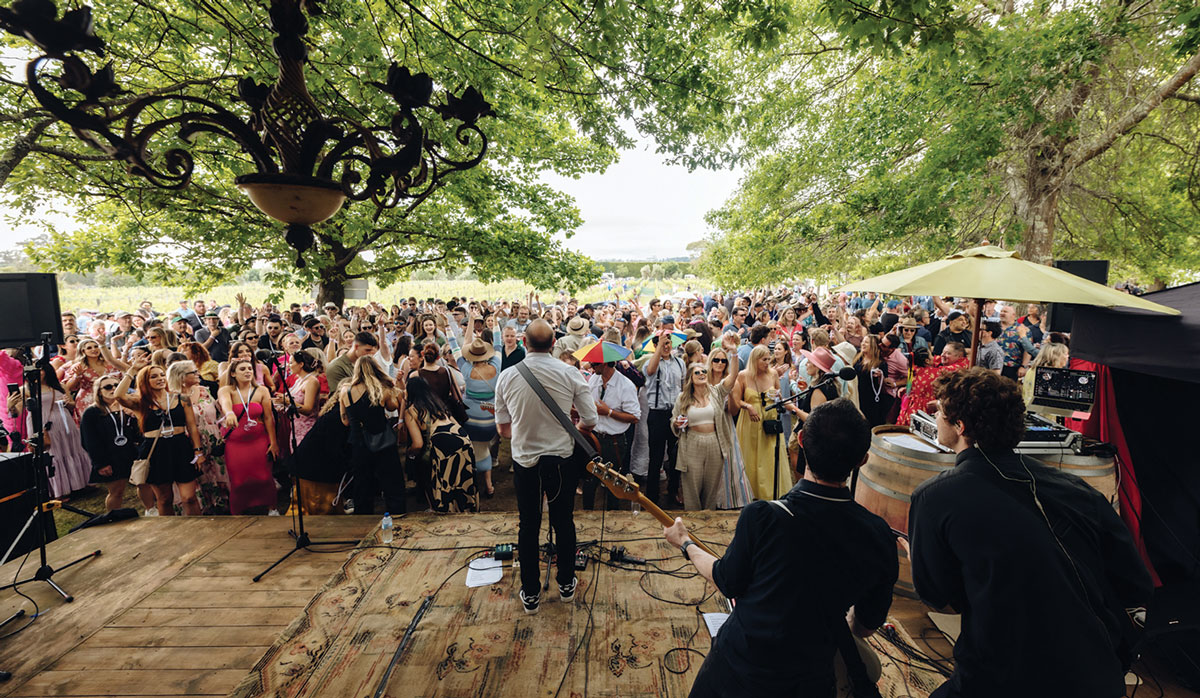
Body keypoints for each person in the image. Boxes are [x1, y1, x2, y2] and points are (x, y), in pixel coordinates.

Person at [909, 368, 1152, 698]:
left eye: (939, 410)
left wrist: (917, 555)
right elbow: (1135, 585)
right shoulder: (1076, 488)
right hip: (1099, 676)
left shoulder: (935, 497)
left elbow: (941, 600)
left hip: (1003, 679)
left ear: (960, 426)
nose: (934, 416)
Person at [664, 398, 897, 697]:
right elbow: (863, 627)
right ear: (862, 459)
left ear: (800, 441)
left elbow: (726, 580)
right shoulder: (878, 535)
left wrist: (685, 543)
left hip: (740, 669)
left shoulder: (763, 516)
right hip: (811, 677)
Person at [495, 319, 597, 615]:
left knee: (528, 525)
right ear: (555, 344)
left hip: (525, 460)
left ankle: (530, 592)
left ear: (524, 344)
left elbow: (503, 429)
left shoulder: (508, 376)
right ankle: (566, 582)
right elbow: (590, 421)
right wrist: (569, 427)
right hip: (561, 459)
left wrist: (527, 432)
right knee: (563, 521)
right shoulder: (569, 372)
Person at [114, 362, 205, 515]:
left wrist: (198, 451)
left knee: (189, 497)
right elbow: (119, 395)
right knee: (164, 499)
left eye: (162, 375)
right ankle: (169, 534)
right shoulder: (140, 402)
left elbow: (192, 426)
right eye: (154, 376)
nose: (160, 378)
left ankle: (196, 529)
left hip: (180, 446)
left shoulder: (181, 398)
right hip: (156, 450)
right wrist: (132, 371)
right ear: (145, 381)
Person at [339, 356, 406, 515]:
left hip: (358, 443)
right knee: (392, 482)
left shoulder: (345, 391)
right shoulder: (380, 390)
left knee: (362, 485)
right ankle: (397, 515)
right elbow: (392, 408)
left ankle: (363, 520)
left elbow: (345, 421)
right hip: (382, 441)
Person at [672, 355, 739, 510]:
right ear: (690, 378)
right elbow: (674, 420)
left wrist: (734, 353)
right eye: (697, 372)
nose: (702, 374)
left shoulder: (716, 392)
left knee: (711, 489)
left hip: (715, 442)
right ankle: (692, 525)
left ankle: (709, 524)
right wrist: (676, 423)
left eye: (704, 371)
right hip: (692, 443)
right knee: (692, 488)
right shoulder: (682, 398)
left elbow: (733, 376)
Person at [403, 375, 476, 513]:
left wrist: (410, 452)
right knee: (461, 480)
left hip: (442, 446)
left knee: (441, 481)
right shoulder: (437, 403)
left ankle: (441, 510)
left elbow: (418, 444)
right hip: (463, 440)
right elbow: (455, 423)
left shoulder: (411, 411)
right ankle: (465, 510)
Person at [218, 359, 279, 515]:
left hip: (258, 440)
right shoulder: (227, 390)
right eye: (243, 369)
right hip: (236, 444)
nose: (247, 371)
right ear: (233, 373)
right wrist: (230, 412)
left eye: (250, 369)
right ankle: (238, 511)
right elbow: (225, 403)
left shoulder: (262, 390)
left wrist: (273, 442)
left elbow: (268, 417)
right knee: (238, 481)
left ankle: (271, 507)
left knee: (264, 477)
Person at [168, 360, 229, 514]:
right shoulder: (172, 398)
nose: (198, 374)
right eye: (193, 372)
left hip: (213, 441)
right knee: (195, 478)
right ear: (181, 377)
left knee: (216, 473)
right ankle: (200, 509)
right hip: (188, 443)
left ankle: (220, 505)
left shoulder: (204, 390)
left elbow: (220, 413)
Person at [732, 344, 789, 500]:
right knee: (750, 458)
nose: (767, 363)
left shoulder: (773, 375)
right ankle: (751, 493)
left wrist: (778, 398)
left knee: (770, 457)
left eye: (768, 359)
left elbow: (780, 396)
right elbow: (736, 401)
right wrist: (748, 406)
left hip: (769, 422)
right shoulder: (743, 376)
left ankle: (770, 493)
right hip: (750, 422)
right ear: (755, 360)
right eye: (764, 359)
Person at [583, 358, 640, 510]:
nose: (591, 366)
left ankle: (612, 520)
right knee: (589, 481)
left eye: (594, 363)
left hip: (614, 441)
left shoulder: (625, 385)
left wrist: (608, 412)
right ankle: (586, 517)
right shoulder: (594, 379)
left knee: (612, 485)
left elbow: (635, 417)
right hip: (594, 437)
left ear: (604, 363)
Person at [79, 377, 141, 512]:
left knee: (144, 485)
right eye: (108, 387)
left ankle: (150, 510)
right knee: (117, 491)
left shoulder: (129, 406)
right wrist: (100, 463)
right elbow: (89, 441)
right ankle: (113, 519)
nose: (113, 389)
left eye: (116, 385)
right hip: (111, 458)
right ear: (99, 392)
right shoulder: (92, 412)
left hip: (133, 453)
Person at [644, 329, 686, 506]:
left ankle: (673, 491)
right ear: (656, 345)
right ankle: (652, 495)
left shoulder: (680, 363)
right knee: (656, 456)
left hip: (674, 413)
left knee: (675, 455)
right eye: (662, 343)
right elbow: (651, 371)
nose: (666, 346)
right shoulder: (650, 362)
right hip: (657, 413)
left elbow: (682, 386)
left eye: (668, 343)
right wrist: (659, 347)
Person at [898, 341, 969, 427]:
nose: (941, 355)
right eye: (943, 352)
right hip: (924, 408)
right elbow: (962, 365)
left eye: (948, 353)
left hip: (911, 408)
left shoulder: (916, 369)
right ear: (927, 361)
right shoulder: (934, 372)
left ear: (959, 356)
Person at [1023, 341, 1069, 408]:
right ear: (1056, 356)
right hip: (1044, 413)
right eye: (1065, 354)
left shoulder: (1032, 370)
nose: (1068, 356)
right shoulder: (1052, 375)